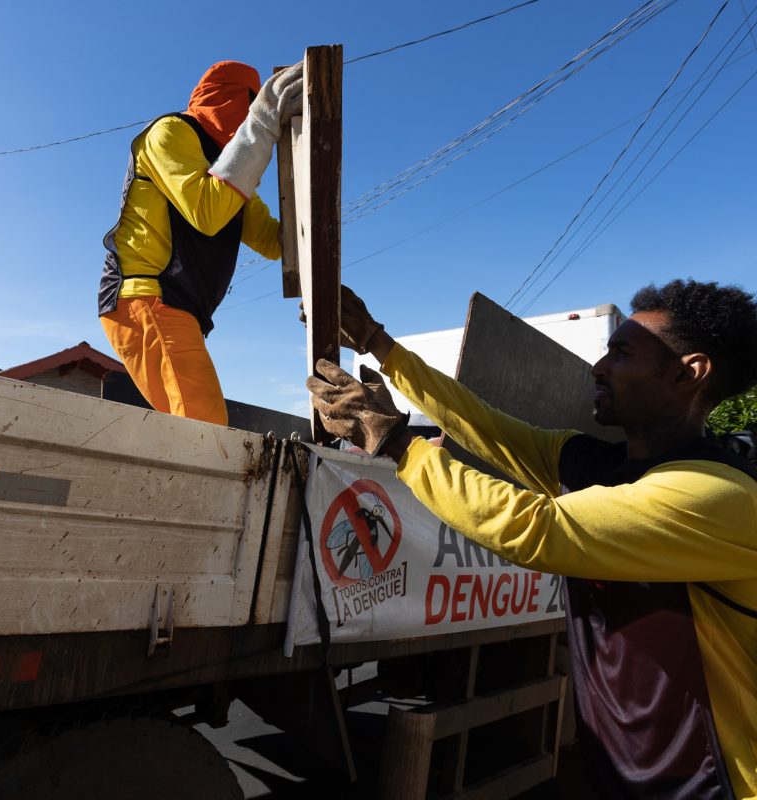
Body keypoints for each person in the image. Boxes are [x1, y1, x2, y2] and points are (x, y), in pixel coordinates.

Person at [307, 281, 757, 799]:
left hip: (717, 783)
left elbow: (536, 527)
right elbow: (487, 427)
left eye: (622, 353)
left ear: (689, 372)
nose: (599, 367)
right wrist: (377, 342)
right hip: (636, 770)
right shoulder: (600, 463)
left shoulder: (718, 494)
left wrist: (393, 442)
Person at [98, 60, 302, 425]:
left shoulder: (229, 167)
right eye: (253, 106)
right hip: (147, 298)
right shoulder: (170, 132)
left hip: (176, 307)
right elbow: (207, 212)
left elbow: (273, 242)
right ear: (234, 100)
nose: (252, 121)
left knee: (190, 434)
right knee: (206, 433)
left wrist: (312, 199)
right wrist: (264, 122)